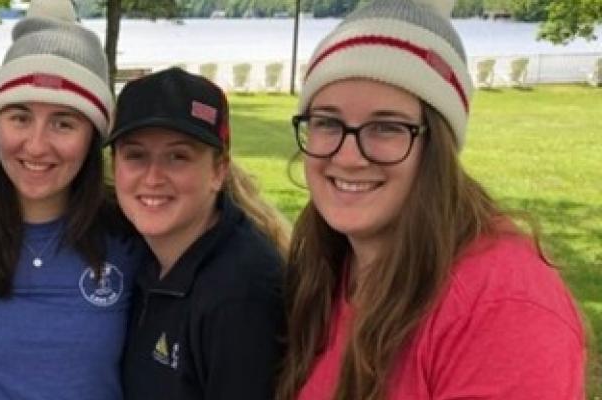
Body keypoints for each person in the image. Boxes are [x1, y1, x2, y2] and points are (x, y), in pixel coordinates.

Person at [276, 0, 587, 398]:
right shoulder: (328, 266)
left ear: (437, 144)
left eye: (386, 127)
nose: (348, 156)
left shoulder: (503, 308)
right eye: (327, 122)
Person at [0, 1, 142, 398]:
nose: (37, 145)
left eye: (63, 122)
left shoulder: (130, 237)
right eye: (20, 117)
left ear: (93, 137)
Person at [110, 67, 290, 399]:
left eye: (178, 157)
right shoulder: (140, 255)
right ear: (114, 166)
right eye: (135, 155)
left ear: (218, 171)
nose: (152, 177)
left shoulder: (240, 294)